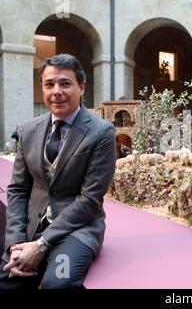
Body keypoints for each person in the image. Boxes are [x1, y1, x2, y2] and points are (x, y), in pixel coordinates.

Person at [0, 54, 116, 289]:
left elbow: (89, 199)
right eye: (49, 84)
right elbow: (18, 189)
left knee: (57, 282)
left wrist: (41, 245)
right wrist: (15, 243)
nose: (56, 91)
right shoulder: (28, 129)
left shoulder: (101, 133)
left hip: (77, 230)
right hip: (32, 226)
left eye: (65, 83)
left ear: (81, 87)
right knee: (6, 280)